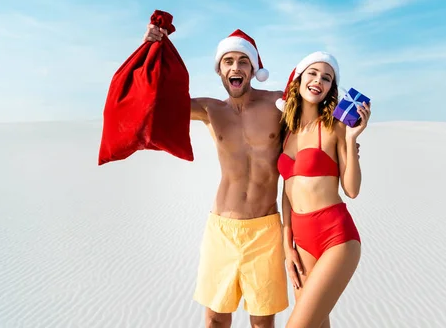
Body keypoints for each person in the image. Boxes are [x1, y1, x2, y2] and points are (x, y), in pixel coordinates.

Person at [143, 25, 288, 328]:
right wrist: (151, 51)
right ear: (220, 70)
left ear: (253, 68)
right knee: (215, 320)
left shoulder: (277, 103)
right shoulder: (210, 109)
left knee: (262, 322)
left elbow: (320, 105)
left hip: (266, 229)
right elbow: (156, 101)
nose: (236, 67)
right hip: (222, 228)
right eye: (228, 61)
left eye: (243, 61)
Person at [274, 51, 371, 328]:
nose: (318, 81)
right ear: (300, 78)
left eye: (326, 78)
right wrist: (287, 246)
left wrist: (351, 140)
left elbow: (352, 190)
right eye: (313, 73)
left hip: (336, 237)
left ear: (331, 88)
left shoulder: (335, 128)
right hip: (301, 243)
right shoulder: (287, 131)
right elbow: (287, 193)